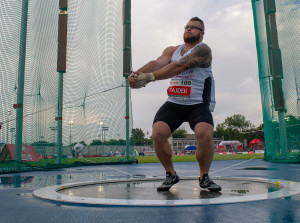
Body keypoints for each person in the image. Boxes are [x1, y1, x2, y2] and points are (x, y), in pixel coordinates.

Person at [128, 17, 221, 192]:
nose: (189, 29)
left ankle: (204, 177)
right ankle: (171, 174)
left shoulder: (203, 50)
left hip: (198, 103)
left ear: (202, 33)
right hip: (174, 102)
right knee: (158, 132)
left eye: (194, 28)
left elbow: (179, 67)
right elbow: (157, 63)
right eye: (187, 27)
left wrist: (148, 78)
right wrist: (138, 73)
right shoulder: (172, 50)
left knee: (204, 134)